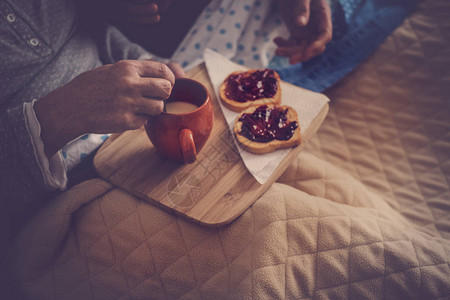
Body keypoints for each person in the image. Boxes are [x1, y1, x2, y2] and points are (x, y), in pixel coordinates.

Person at [0, 0, 331, 238]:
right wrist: (63, 112)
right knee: (282, 228)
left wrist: (142, 64)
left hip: (136, 139)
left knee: (318, 196)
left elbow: (86, 32)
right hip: (63, 192)